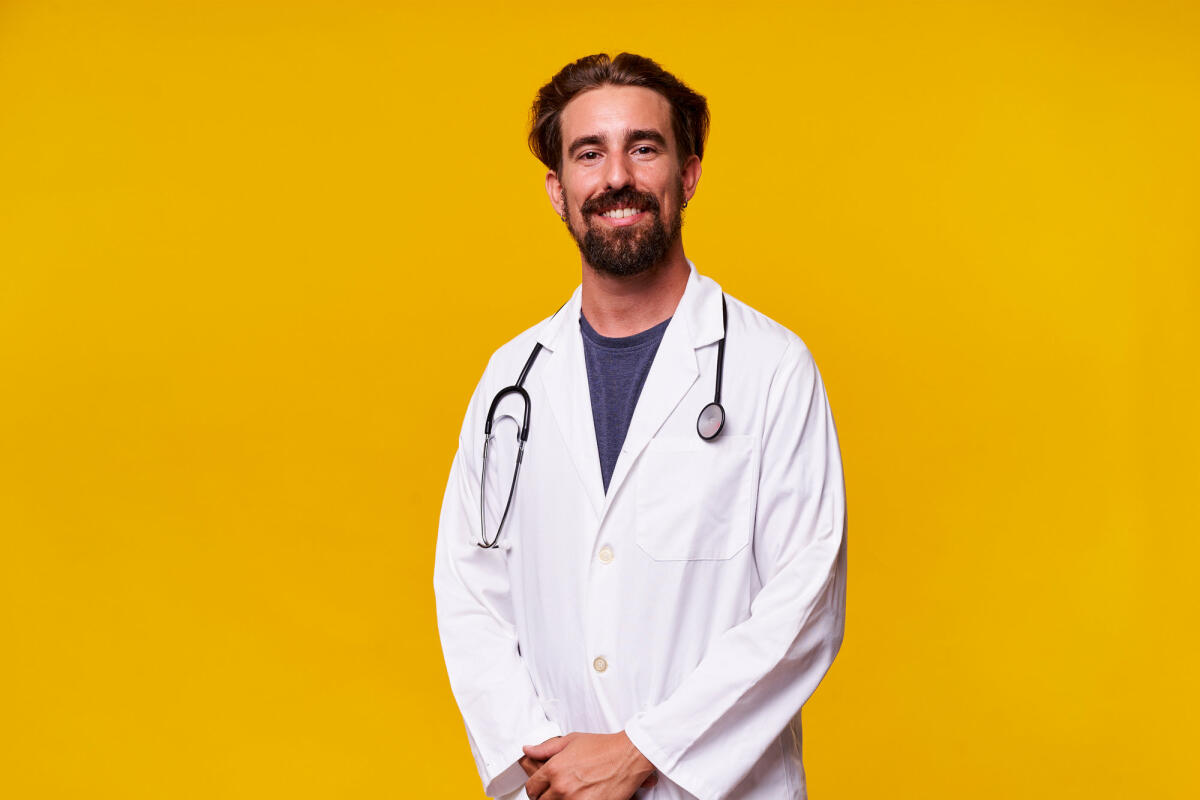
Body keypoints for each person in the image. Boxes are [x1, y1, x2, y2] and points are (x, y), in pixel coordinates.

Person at [433, 52, 848, 800]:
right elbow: (470, 590)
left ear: (687, 175)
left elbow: (804, 604)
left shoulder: (771, 368)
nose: (616, 176)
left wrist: (642, 751)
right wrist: (542, 764)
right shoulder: (511, 380)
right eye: (590, 153)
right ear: (559, 191)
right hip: (552, 789)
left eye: (643, 147)